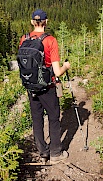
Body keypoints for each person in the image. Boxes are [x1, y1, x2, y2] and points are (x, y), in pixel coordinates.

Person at [19, 9, 71, 164]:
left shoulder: (24, 39)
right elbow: (57, 71)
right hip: (47, 87)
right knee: (54, 117)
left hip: (31, 86)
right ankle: (55, 153)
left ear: (31, 22)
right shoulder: (50, 40)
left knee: (37, 119)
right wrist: (66, 67)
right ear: (46, 22)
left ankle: (43, 152)